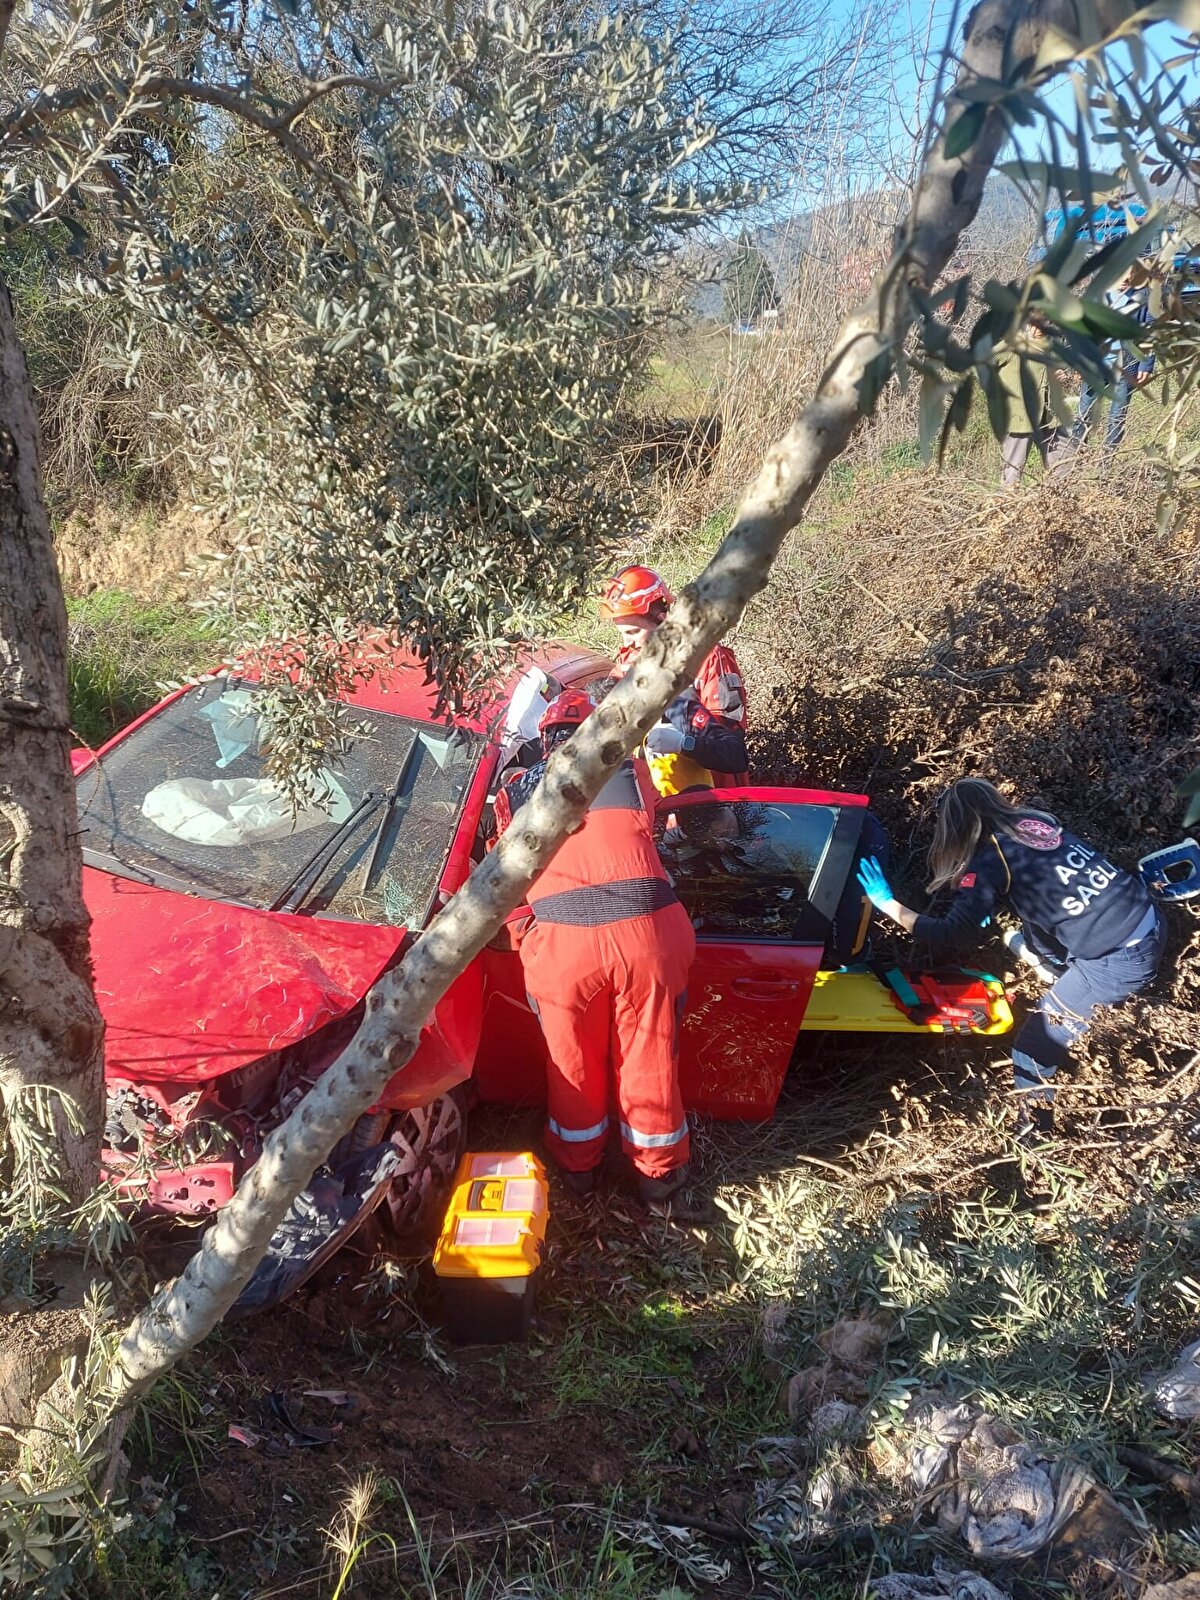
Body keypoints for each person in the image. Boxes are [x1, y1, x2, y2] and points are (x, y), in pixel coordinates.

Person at [856, 778, 1166, 1133]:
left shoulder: (987, 862)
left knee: (1033, 1047)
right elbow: (1044, 890)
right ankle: (1062, 972)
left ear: (953, 827)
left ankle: (1035, 1140)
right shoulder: (1038, 824)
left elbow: (949, 934)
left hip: (1117, 960)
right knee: (1034, 934)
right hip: (1148, 918)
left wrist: (887, 903)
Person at [493, 689, 697, 1204]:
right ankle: (659, 1176)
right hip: (647, 934)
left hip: (563, 944)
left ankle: (578, 1169)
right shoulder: (630, 772)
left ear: (543, 740)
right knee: (649, 1052)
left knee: (571, 1060)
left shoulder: (514, 791)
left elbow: (504, 877)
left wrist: (526, 938)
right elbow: (648, 828)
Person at [599, 565, 749, 793]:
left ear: (662, 619)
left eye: (632, 632)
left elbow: (730, 746)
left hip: (716, 799)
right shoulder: (627, 665)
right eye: (621, 633)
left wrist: (685, 743)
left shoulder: (708, 658)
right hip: (656, 800)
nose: (627, 643)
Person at [1073, 269, 1155, 452]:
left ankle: (1107, 461)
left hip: (1126, 368)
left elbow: (1150, 333)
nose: (1126, 278)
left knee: (1117, 417)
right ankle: (1075, 457)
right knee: (1084, 412)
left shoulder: (1142, 301)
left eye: (1129, 274)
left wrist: (1146, 364)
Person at [997, 319, 1075, 490]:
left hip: (1050, 415)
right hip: (1021, 415)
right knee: (1012, 473)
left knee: (1065, 464)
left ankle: (1059, 507)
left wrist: (1060, 373)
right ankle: (1003, 510)